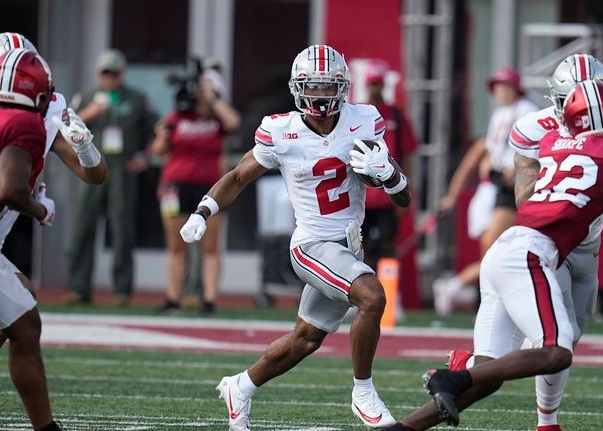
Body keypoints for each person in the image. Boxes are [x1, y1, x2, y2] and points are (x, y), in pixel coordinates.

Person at [381, 54, 603, 431]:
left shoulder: (555, 136)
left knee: (494, 370)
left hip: (536, 246)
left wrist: (598, 149)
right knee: (554, 349)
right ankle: (477, 382)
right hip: (539, 251)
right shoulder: (551, 130)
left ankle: (405, 426)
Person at [179, 45, 411, 430]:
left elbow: (403, 197)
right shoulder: (281, 130)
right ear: (297, 88)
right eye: (313, 87)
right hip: (311, 246)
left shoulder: (365, 119)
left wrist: (387, 174)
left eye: (327, 87)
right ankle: (363, 392)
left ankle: (242, 385)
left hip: (348, 247)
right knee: (371, 296)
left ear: (342, 87)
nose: (320, 96)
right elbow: (238, 177)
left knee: (306, 338)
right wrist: (204, 211)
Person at [0, 33, 107, 427]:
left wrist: (86, 146)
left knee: (25, 320)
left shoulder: (43, 114)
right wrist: (39, 208)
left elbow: (95, 174)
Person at [434, 67, 537, 314]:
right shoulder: (501, 114)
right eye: (498, 86)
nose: (499, 91)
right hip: (499, 186)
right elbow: (488, 151)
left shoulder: (526, 111)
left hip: (514, 187)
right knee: (495, 249)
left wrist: (515, 169)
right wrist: (489, 163)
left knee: (496, 248)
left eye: (504, 86)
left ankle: (456, 286)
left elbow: (529, 151)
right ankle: (489, 299)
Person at [66, 49, 159, 305]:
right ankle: (79, 287)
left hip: (122, 168)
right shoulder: (85, 97)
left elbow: (159, 129)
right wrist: (89, 113)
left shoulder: (136, 98)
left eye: (114, 73)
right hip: (92, 165)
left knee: (122, 228)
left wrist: (146, 157)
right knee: (82, 227)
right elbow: (64, 126)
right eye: (106, 73)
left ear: (122, 73)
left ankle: (122, 290)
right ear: (99, 74)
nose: (110, 78)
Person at [151, 69, 241, 313]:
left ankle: (210, 299)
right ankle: (173, 298)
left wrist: (212, 98)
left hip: (209, 189)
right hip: (175, 186)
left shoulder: (218, 120)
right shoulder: (175, 118)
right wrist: (161, 137)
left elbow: (234, 122)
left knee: (210, 246)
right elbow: (158, 151)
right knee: (175, 244)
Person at [361, 59, 419, 270]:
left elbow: (406, 155)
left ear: (384, 85)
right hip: (362, 196)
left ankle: (390, 295)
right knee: (359, 246)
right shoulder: (356, 114)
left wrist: (405, 189)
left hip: (387, 194)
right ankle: (360, 294)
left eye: (378, 83)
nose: (375, 88)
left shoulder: (395, 115)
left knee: (388, 246)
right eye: (372, 83)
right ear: (366, 85)